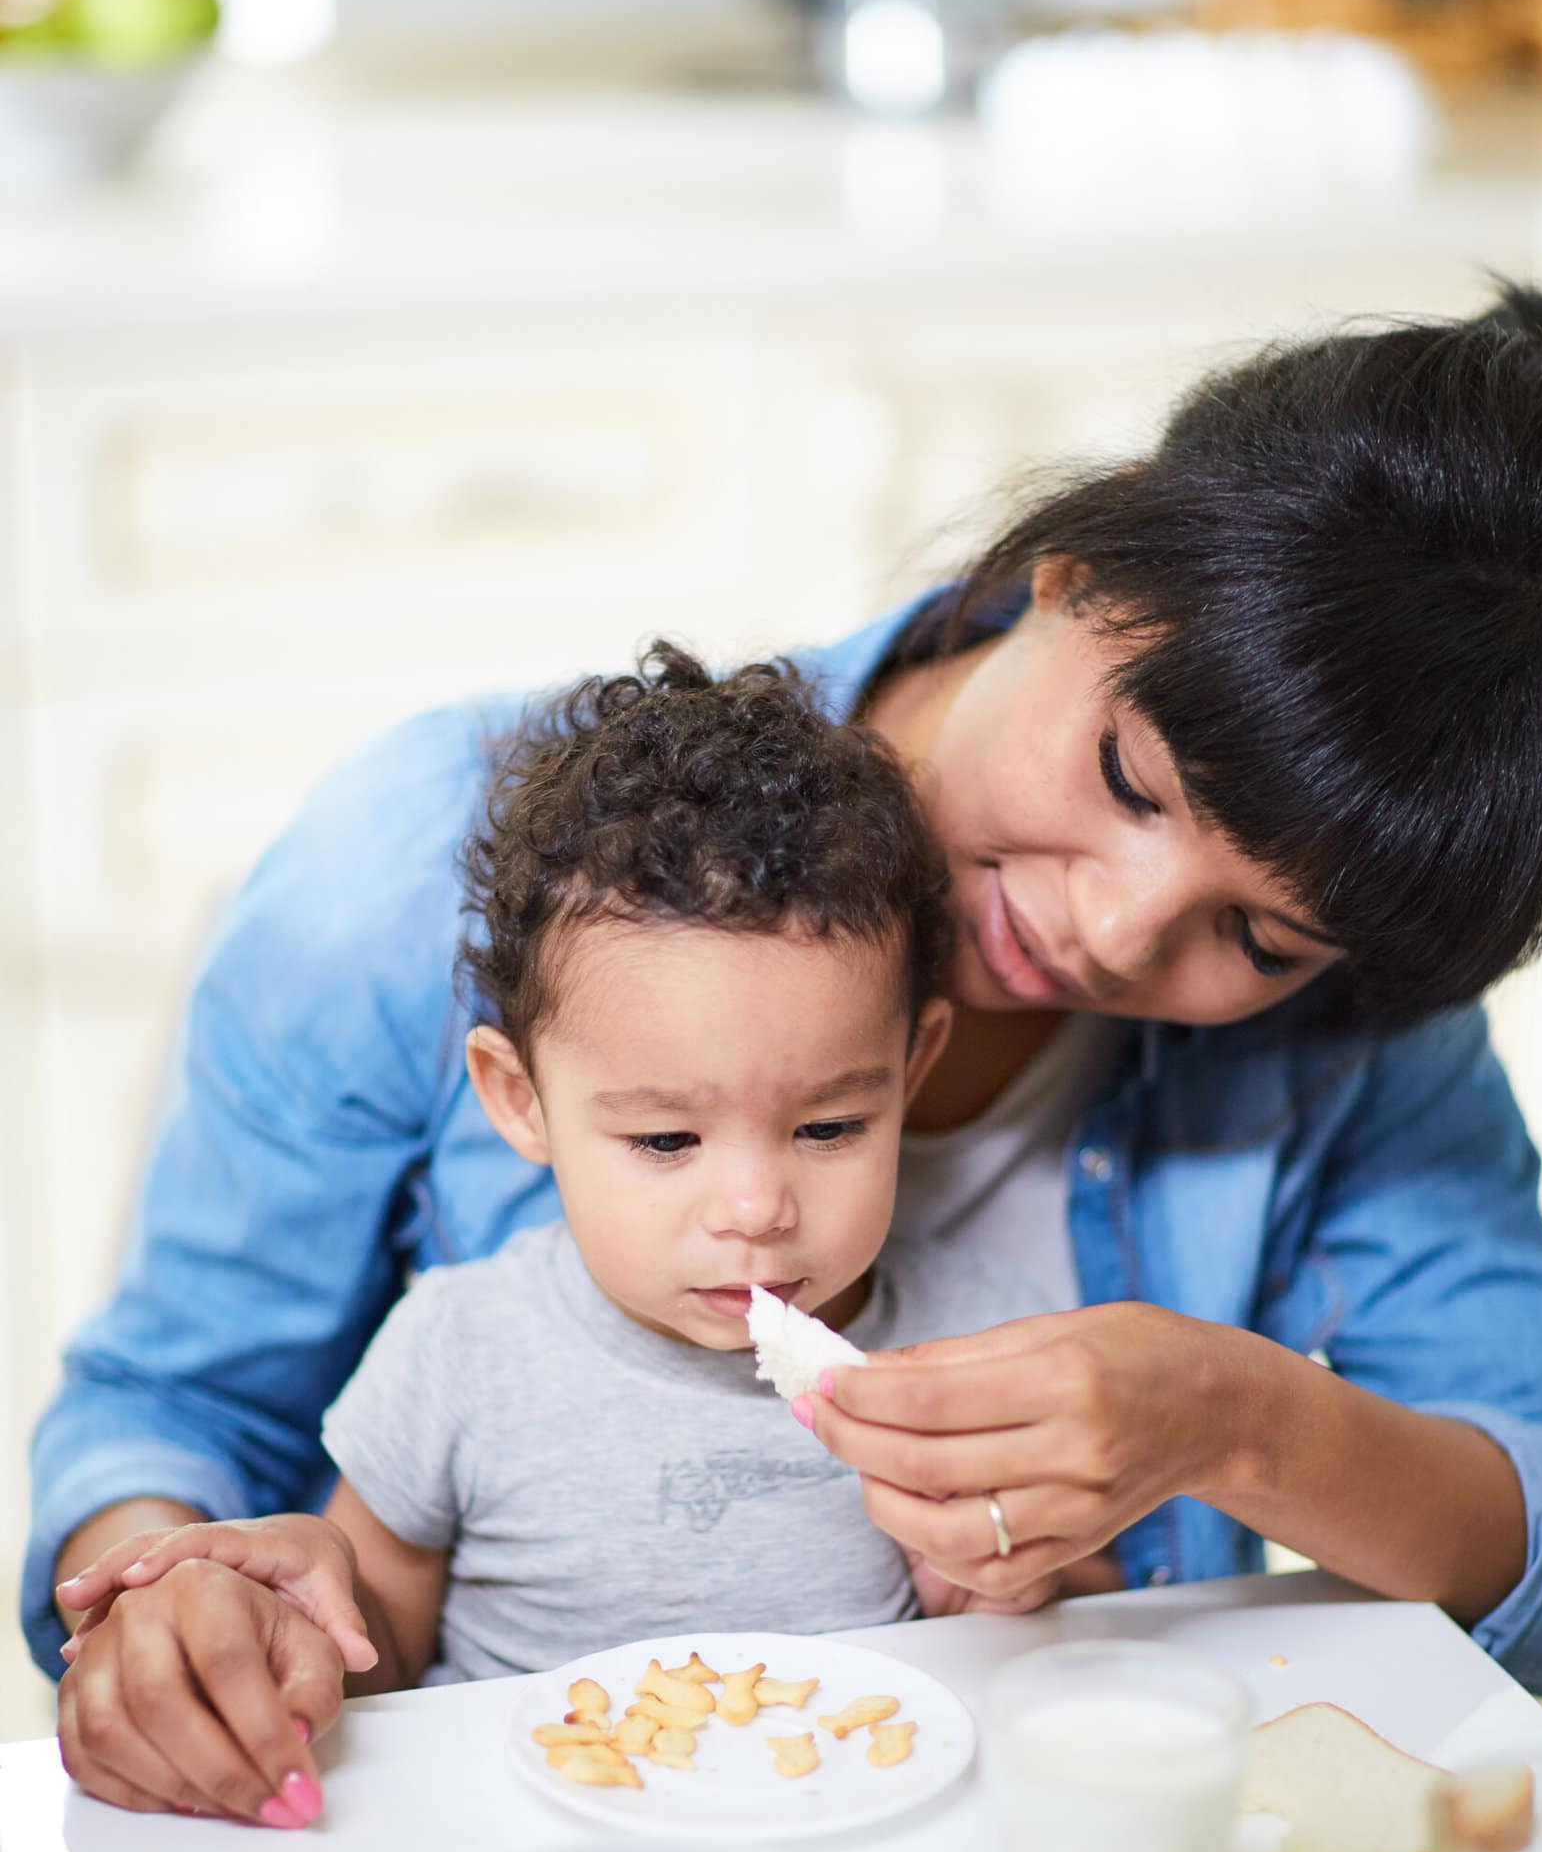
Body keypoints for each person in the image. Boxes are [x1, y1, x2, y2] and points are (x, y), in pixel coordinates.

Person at [37, 281, 1542, 1827]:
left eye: (1258, 939)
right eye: (1131, 777)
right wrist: (180, 1614)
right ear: (1070, 569)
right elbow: (178, 1412)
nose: (1120, 935)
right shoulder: (414, 863)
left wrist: (1238, 1422)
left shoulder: (1357, 1020)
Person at [60, 648, 1073, 1747]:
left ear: (912, 1069)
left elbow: (1063, 1615)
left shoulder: (979, 1351)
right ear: (518, 1098)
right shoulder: (461, 1348)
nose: (753, 1208)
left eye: (827, 1128)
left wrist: (1005, 1586)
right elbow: (379, 1647)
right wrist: (300, 1621)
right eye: (665, 1139)